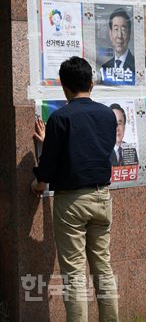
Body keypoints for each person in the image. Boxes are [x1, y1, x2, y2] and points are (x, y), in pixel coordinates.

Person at [31, 56, 119, 322]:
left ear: (64, 88)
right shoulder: (107, 115)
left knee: (74, 274)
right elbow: (90, 147)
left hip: (71, 202)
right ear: (91, 83)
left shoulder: (60, 119)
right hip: (102, 198)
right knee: (103, 268)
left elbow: (46, 173)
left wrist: (37, 184)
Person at [100, 8, 135, 85]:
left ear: (129, 34)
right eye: (116, 29)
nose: (119, 36)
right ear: (110, 34)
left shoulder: (136, 66)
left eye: (123, 30)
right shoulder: (104, 68)